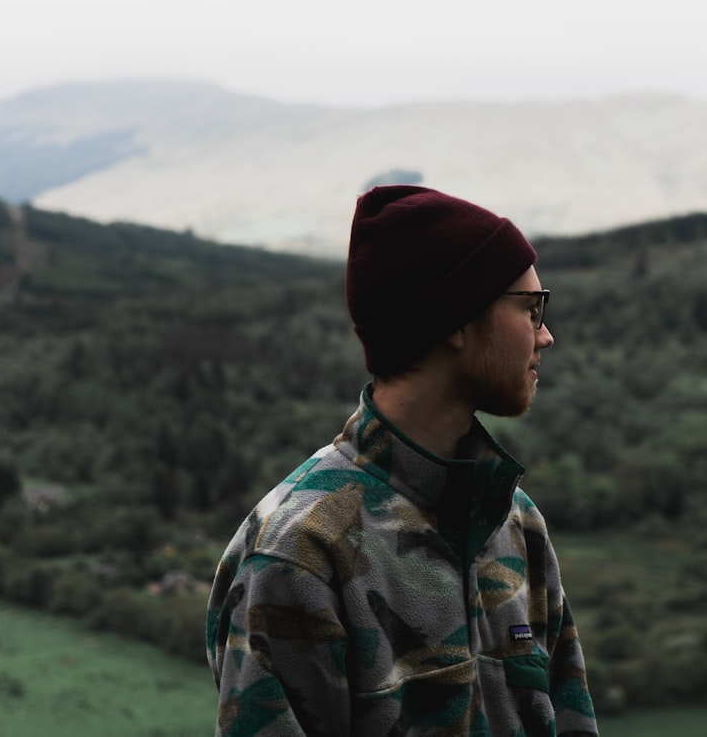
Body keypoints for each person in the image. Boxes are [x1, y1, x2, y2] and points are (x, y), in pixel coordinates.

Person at [205, 185, 598, 736]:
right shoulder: (299, 555)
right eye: (531, 310)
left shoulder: (514, 522)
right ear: (458, 318)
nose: (546, 336)